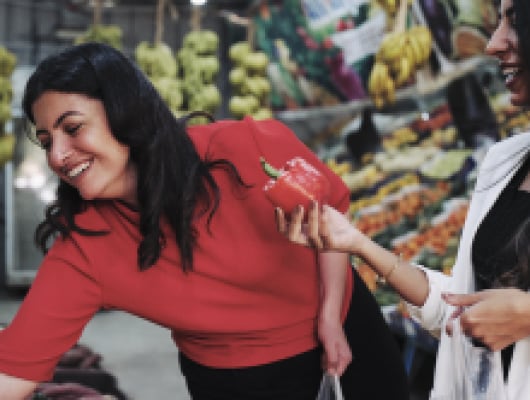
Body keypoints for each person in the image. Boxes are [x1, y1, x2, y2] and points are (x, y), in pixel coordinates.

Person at [0, 42, 409, 400]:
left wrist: (330, 314)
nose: (57, 157)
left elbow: (328, 212)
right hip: (230, 384)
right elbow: (12, 374)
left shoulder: (243, 150)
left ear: (124, 111)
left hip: (347, 341)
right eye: (47, 141)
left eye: (72, 128)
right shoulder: (85, 246)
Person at [277, 0, 530, 397]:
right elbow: (458, 307)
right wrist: (357, 243)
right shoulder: (504, 161)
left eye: (515, 22)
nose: (493, 43)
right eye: (497, 21)